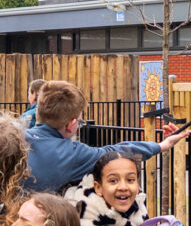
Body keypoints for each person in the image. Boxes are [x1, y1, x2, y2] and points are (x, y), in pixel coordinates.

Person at [23, 79, 181, 194]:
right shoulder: (71, 153)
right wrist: (161, 145)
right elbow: (115, 152)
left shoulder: (16, 137)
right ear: (71, 125)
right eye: (79, 122)